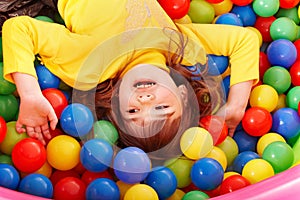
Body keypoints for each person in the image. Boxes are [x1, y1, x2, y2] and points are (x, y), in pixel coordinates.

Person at [2, 0, 259, 157]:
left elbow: (18, 29)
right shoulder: (177, 44)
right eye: (161, 108)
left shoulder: (91, 63)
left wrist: (31, 94)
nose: (145, 99)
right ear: (183, 93)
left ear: (115, 101)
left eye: (133, 110)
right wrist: (236, 105)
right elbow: (244, 40)